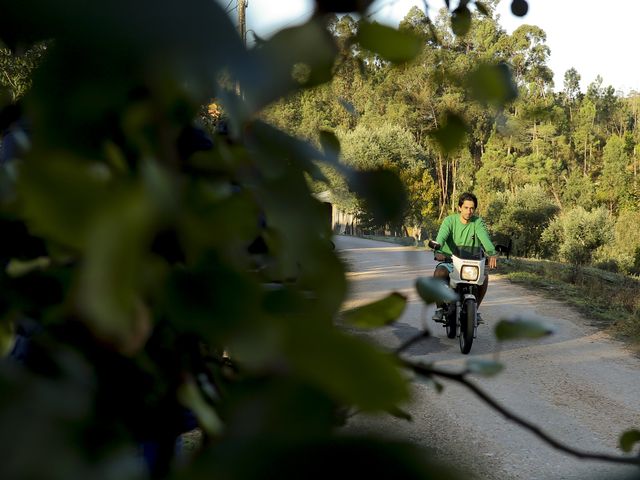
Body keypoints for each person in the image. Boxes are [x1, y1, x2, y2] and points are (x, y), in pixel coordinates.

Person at [431, 192, 497, 324]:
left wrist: (492, 253)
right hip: (450, 261)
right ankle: (439, 308)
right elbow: (441, 238)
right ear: (460, 208)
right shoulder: (449, 221)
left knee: (484, 277)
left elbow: (484, 238)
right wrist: (438, 251)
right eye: (466, 208)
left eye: (472, 208)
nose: (469, 211)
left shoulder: (477, 222)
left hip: (471, 263)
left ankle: (475, 310)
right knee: (439, 274)